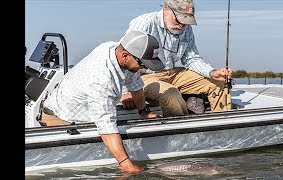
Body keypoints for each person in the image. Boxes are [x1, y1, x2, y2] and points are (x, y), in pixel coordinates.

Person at [41, 30, 165, 173]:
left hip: (79, 108)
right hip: (62, 119)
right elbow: (106, 127)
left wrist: (143, 112)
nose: (145, 68)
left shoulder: (114, 49)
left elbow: (134, 83)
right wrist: (127, 166)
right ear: (125, 56)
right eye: (143, 64)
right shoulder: (102, 79)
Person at [120, 0, 233, 117]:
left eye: (187, 21)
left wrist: (212, 72)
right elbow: (124, 57)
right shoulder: (144, 23)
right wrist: (125, 91)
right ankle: (182, 133)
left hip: (173, 73)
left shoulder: (186, 28)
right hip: (144, 77)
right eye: (180, 19)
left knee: (220, 81)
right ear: (166, 9)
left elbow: (191, 58)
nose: (182, 25)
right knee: (171, 93)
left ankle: (222, 124)